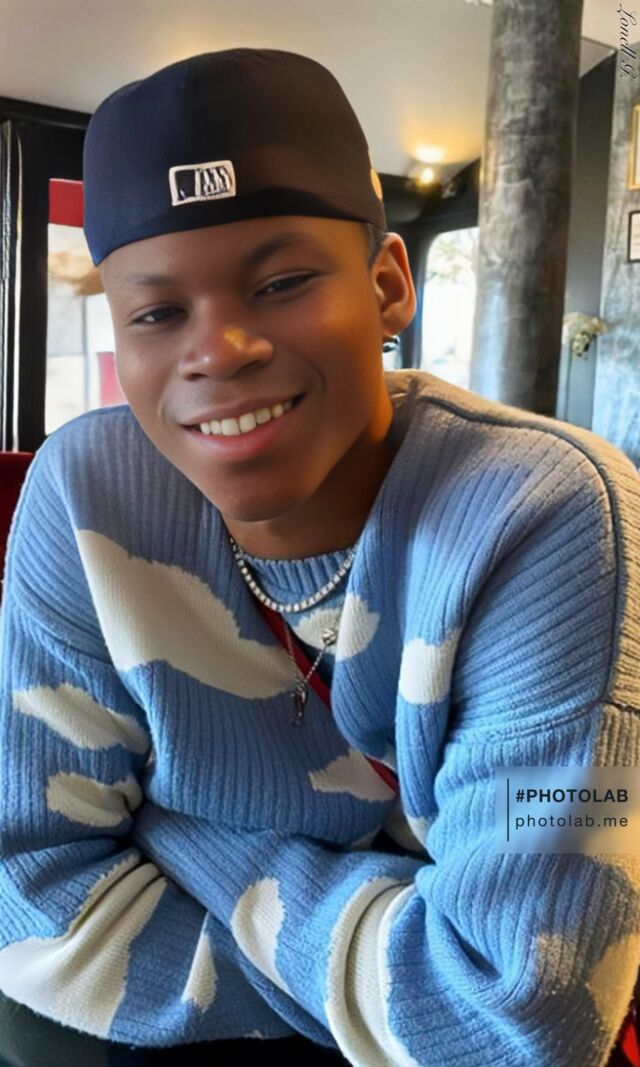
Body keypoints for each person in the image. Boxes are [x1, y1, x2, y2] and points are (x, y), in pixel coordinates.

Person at [0, 48, 638, 1067]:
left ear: (389, 286)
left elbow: (525, 1014)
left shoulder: (551, 515)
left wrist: (186, 837)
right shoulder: (84, 496)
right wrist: (400, 969)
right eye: (158, 313)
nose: (219, 350)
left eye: (283, 282)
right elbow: (25, 896)